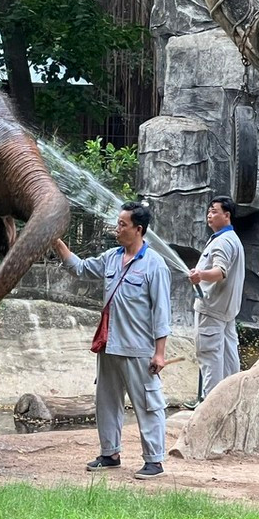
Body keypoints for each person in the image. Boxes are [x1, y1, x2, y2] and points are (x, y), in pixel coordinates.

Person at [54, 201, 172, 479]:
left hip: (138, 348)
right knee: (106, 402)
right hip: (109, 344)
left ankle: (154, 460)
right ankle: (110, 453)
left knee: (147, 403)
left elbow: (162, 312)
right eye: (117, 223)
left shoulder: (155, 265)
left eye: (122, 224)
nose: (116, 229)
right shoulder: (110, 257)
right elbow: (80, 268)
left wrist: (160, 353)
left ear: (138, 229)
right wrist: (55, 241)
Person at [188, 195, 246, 399]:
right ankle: (231, 408)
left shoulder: (223, 242)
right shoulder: (232, 240)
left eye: (214, 211)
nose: (209, 215)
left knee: (211, 362)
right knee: (230, 367)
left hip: (212, 312)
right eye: (209, 211)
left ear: (227, 215)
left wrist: (200, 275)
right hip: (226, 314)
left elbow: (220, 271)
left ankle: (209, 415)